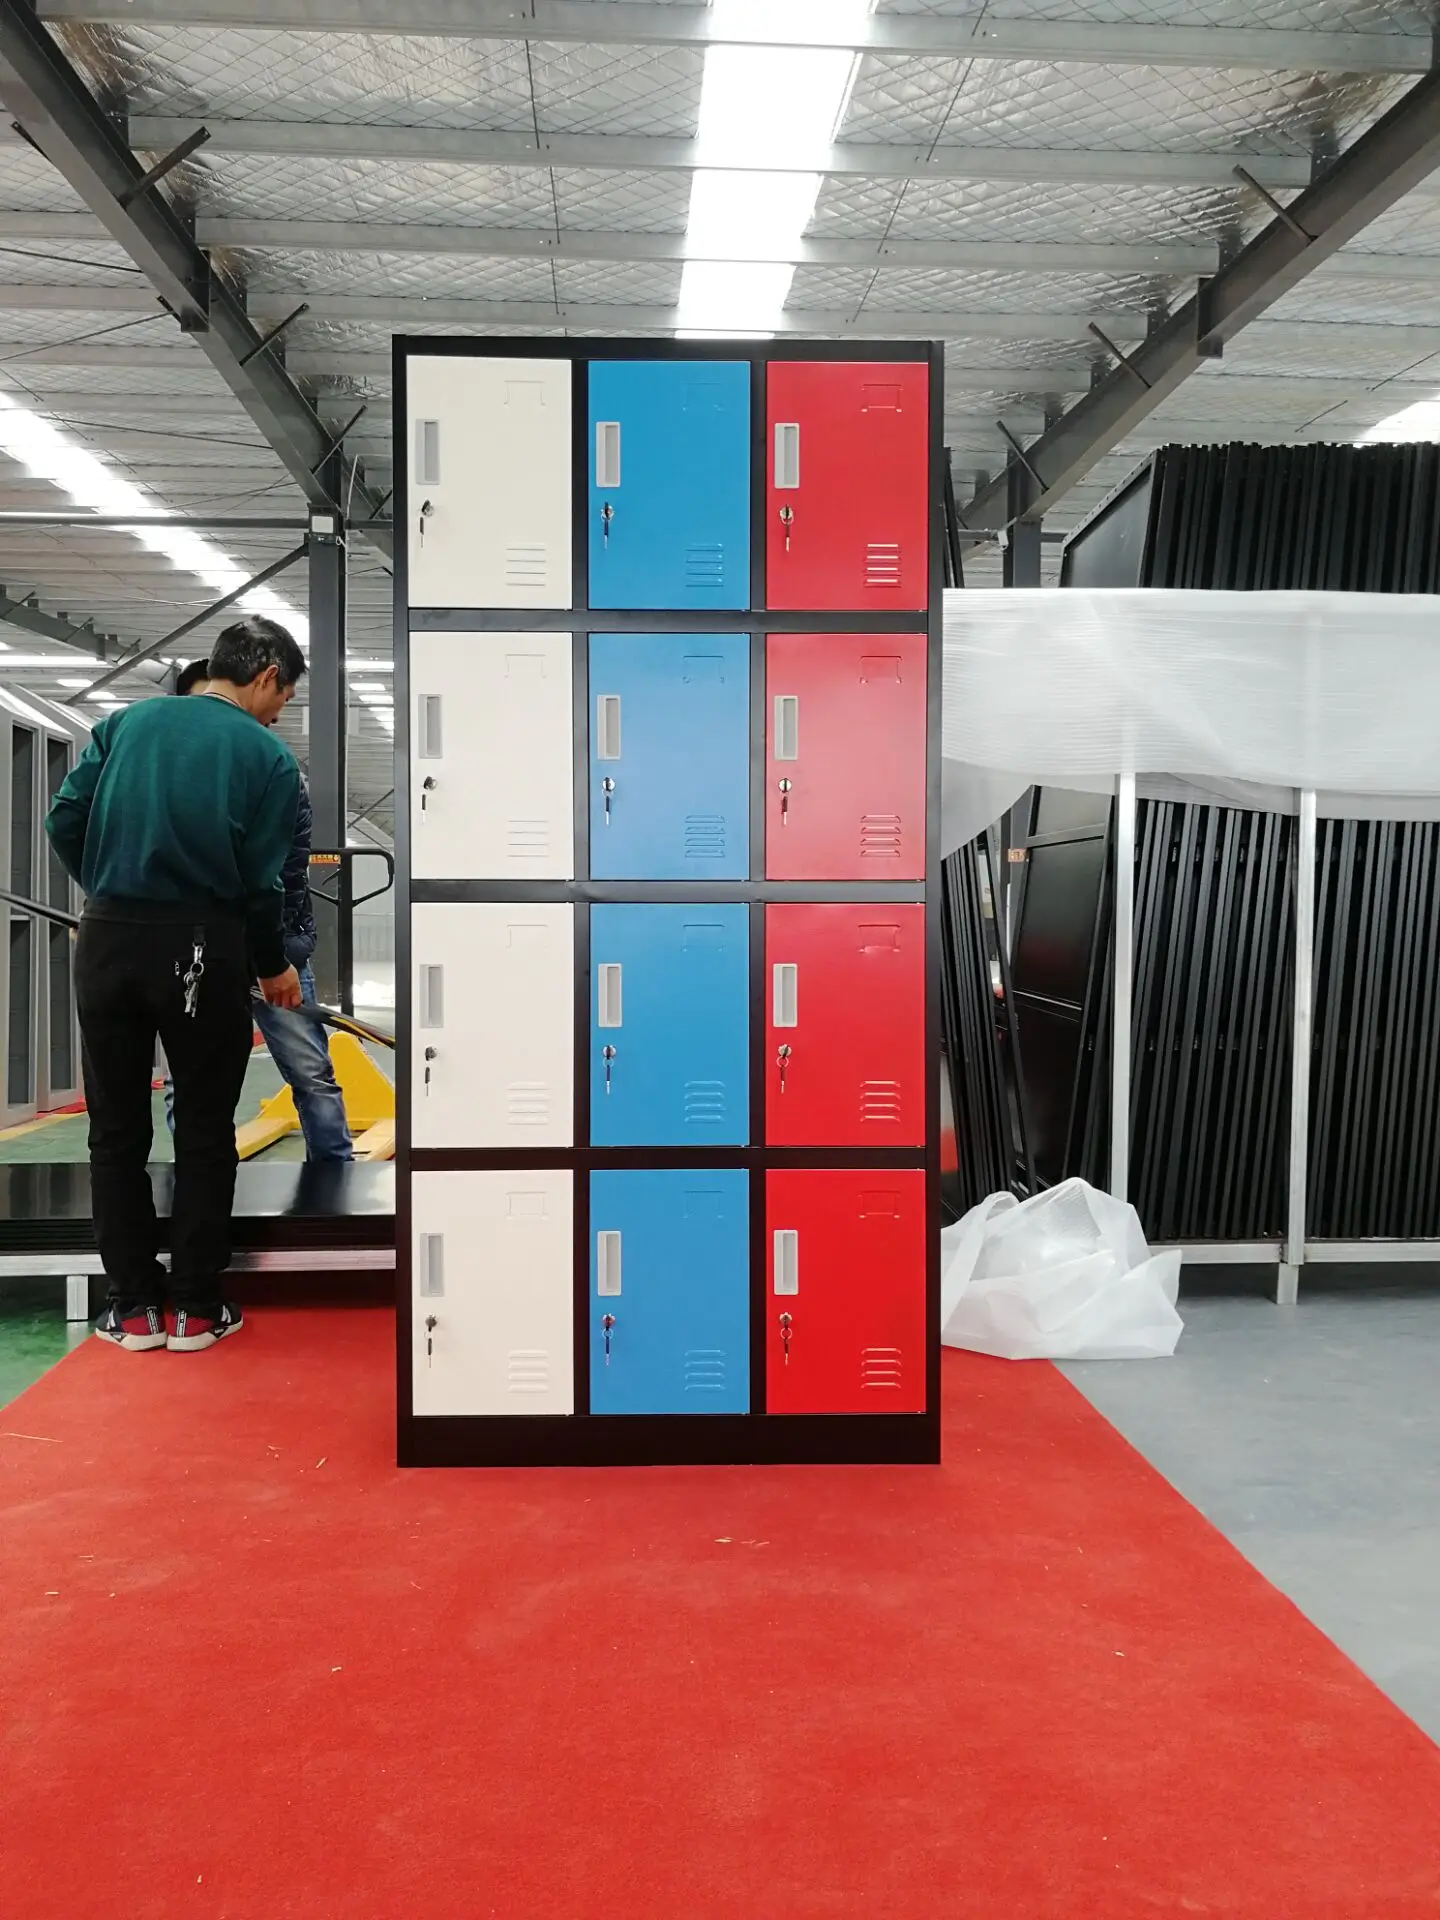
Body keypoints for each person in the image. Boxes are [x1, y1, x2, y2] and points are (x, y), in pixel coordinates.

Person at [45, 616, 306, 1354]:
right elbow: (260, 883)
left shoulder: (123, 725)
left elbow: (62, 820)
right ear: (265, 676)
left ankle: (131, 1307)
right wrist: (271, 965)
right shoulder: (268, 757)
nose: (279, 713)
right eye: (284, 697)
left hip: (109, 939)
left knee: (115, 1127)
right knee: (203, 1126)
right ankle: (195, 1306)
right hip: (203, 947)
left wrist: (107, 890)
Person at [166, 659, 353, 1163]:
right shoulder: (175, 783)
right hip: (198, 956)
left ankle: (335, 1177)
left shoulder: (277, 772)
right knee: (189, 1079)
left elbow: (285, 876)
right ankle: (198, 1179)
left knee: (310, 1072)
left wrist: (275, 956)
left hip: (275, 957)